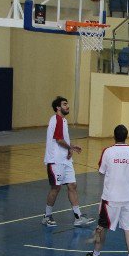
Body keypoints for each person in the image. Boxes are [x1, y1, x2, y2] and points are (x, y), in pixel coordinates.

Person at [86, 125, 129, 256]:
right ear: (126, 135)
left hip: (111, 198)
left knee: (102, 227)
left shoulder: (108, 152)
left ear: (114, 136)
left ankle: (95, 255)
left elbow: (101, 171)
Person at [42, 96, 93, 227]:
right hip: (55, 160)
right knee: (56, 187)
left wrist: (70, 148)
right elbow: (58, 139)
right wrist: (70, 147)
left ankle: (78, 217)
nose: (67, 106)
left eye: (67, 104)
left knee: (72, 185)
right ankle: (47, 216)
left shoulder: (63, 121)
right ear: (58, 107)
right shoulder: (57, 119)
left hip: (65, 160)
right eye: (64, 104)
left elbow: (62, 139)